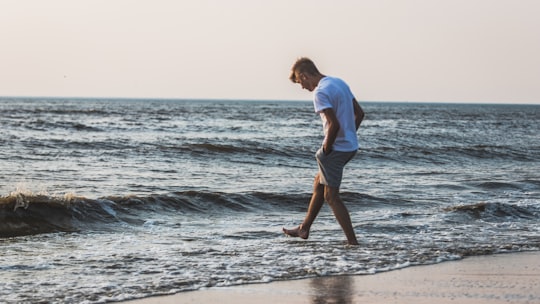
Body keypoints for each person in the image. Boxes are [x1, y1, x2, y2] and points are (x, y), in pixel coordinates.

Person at [283, 57, 364, 245]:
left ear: (303, 76)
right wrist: (349, 135)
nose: (302, 87)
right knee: (319, 183)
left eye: (299, 82)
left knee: (332, 197)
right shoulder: (339, 82)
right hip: (349, 146)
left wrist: (327, 149)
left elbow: (334, 124)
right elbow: (359, 113)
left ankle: (353, 243)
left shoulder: (320, 92)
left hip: (336, 149)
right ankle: (304, 228)